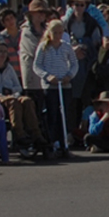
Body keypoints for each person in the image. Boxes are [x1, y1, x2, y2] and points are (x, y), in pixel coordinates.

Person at [36, 18, 80, 154]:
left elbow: (74, 64)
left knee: (64, 114)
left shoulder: (66, 47)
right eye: (55, 32)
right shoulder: (43, 47)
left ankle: (63, 142)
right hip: (50, 86)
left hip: (64, 85)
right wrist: (48, 76)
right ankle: (52, 141)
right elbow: (36, 66)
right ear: (49, 32)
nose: (58, 36)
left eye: (60, 32)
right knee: (52, 114)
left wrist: (69, 76)